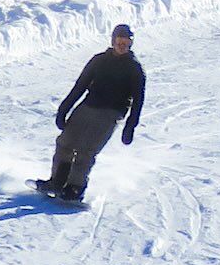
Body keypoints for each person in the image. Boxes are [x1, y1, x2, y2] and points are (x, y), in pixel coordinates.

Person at [43, 23, 145, 202]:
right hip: (88, 106)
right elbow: (80, 85)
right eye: (119, 41)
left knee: (86, 150)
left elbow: (138, 101)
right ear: (113, 41)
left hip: (111, 112)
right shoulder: (99, 60)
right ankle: (57, 181)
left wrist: (130, 126)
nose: (122, 45)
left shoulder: (134, 69)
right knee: (65, 143)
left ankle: (75, 188)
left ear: (131, 44)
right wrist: (64, 109)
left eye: (126, 42)